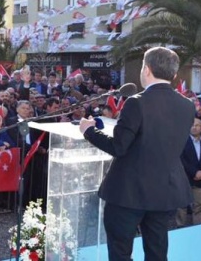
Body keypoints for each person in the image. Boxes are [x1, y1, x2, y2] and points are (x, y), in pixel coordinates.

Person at [79, 46, 195, 261]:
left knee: (120, 251)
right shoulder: (187, 106)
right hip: (164, 192)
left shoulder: (136, 102)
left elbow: (118, 147)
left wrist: (89, 131)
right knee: (157, 251)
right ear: (174, 74)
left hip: (128, 192)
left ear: (147, 69)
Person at [176, 118, 201, 227]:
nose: (194, 127)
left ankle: (197, 228)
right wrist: (194, 172)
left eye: (197, 125)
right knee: (182, 206)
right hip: (185, 179)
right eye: (192, 125)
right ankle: (180, 228)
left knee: (198, 206)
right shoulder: (181, 141)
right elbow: (181, 159)